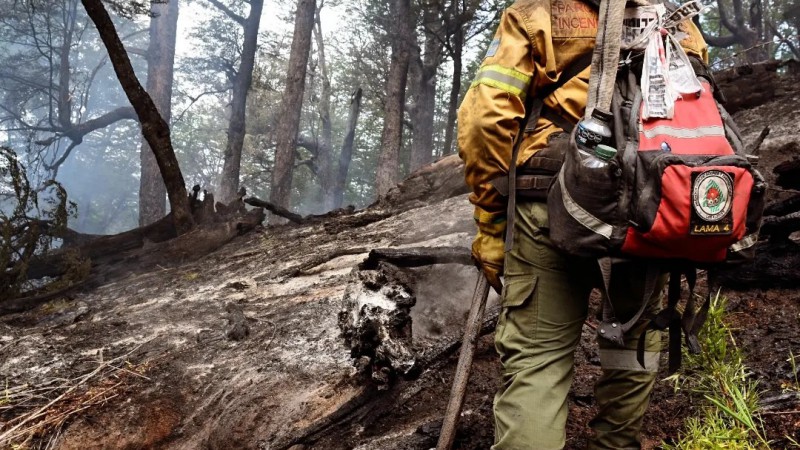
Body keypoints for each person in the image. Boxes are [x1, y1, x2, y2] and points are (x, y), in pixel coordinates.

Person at [457, 1, 708, 448]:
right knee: (631, 350)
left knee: (537, 363)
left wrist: (491, 221)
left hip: (548, 207)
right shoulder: (681, 20)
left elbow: (486, 119)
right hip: (645, 211)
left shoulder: (537, 12)